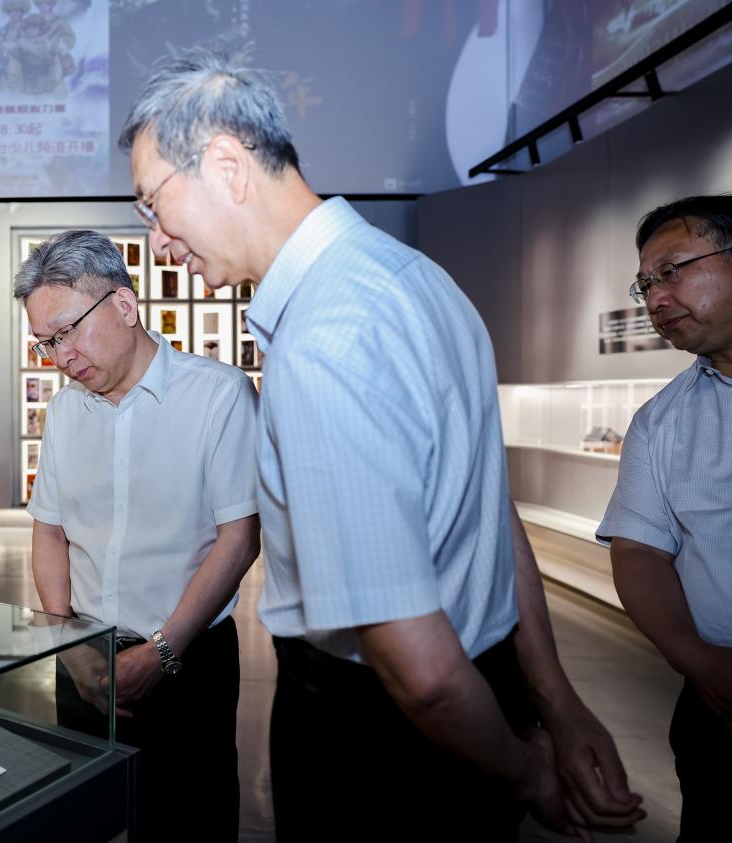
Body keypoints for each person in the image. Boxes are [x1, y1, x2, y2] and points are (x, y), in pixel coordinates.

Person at [119, 49, 645, 840]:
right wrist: (552, 700)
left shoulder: (327, 342)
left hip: (379, 741)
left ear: (226, 165)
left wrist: (531, 775)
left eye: (153, 204)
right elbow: (489, 517)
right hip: (478, 692)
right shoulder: (416, 279)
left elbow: (419, 671)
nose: (158, 242)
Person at [14, 229, 261, 840]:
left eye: (67, 332)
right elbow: (50, 535)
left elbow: (239, 537)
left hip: (189, 662)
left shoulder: (219, 395)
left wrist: (163, 652)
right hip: (83, 659)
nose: (60, 357)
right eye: (46, 342)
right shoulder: (64, 412)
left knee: (188, 822)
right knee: (86, 822)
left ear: (124, 304)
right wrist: (68, 644)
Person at [597, 195, 732, 842]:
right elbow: (639, 550)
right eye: (645, 284)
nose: (654, 298)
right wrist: (695, 659)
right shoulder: (661, 420)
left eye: (672, 271)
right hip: (717, 704)